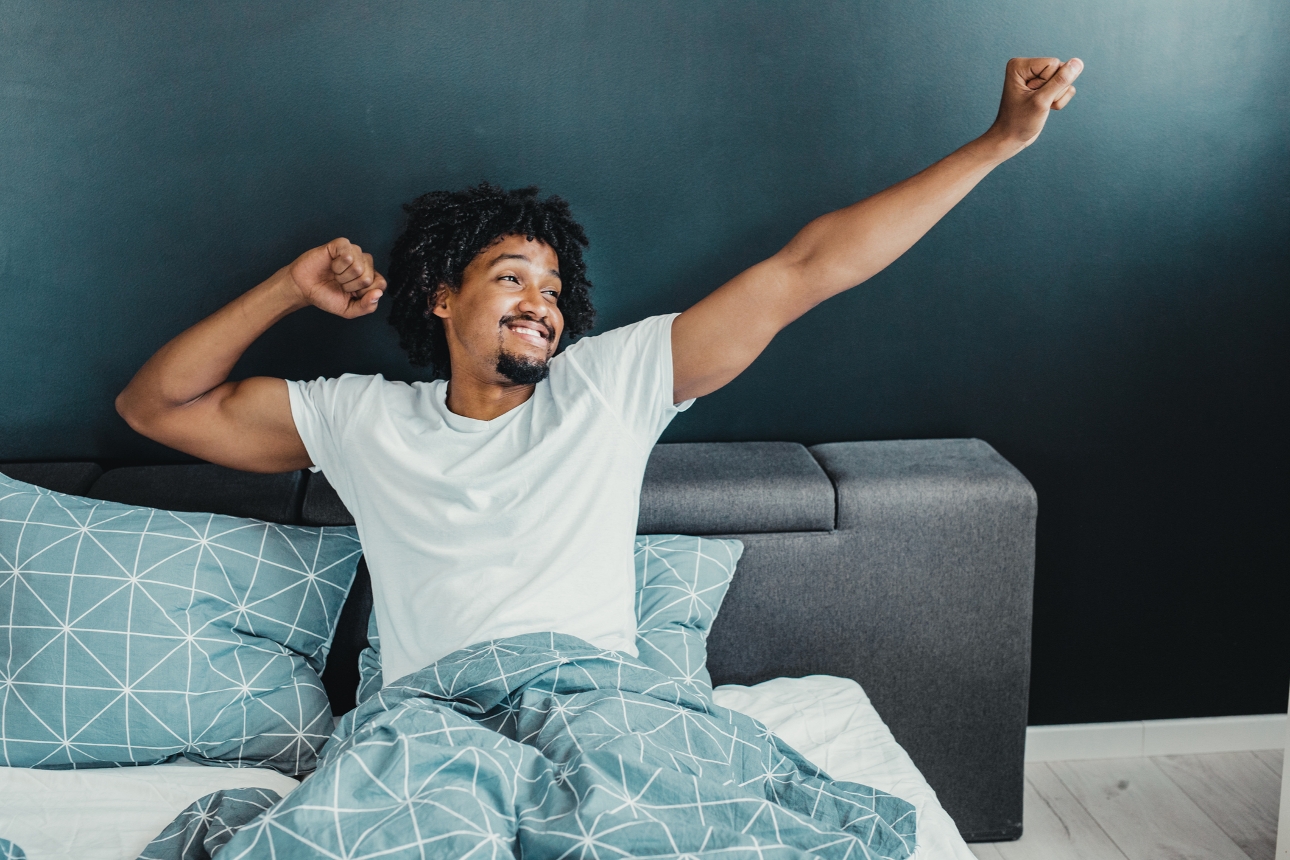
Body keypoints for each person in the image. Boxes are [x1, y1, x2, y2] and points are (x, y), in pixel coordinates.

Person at [117, 57, 1082, 687]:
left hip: (595, 708)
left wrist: (996, 143)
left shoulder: (609, 384)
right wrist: (289, 287)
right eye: (510, 277)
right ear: (442, 298)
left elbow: (806, 271)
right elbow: (154, 407)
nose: (542, 301)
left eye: (553, 287)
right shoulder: (361, 419)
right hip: (432, 721)